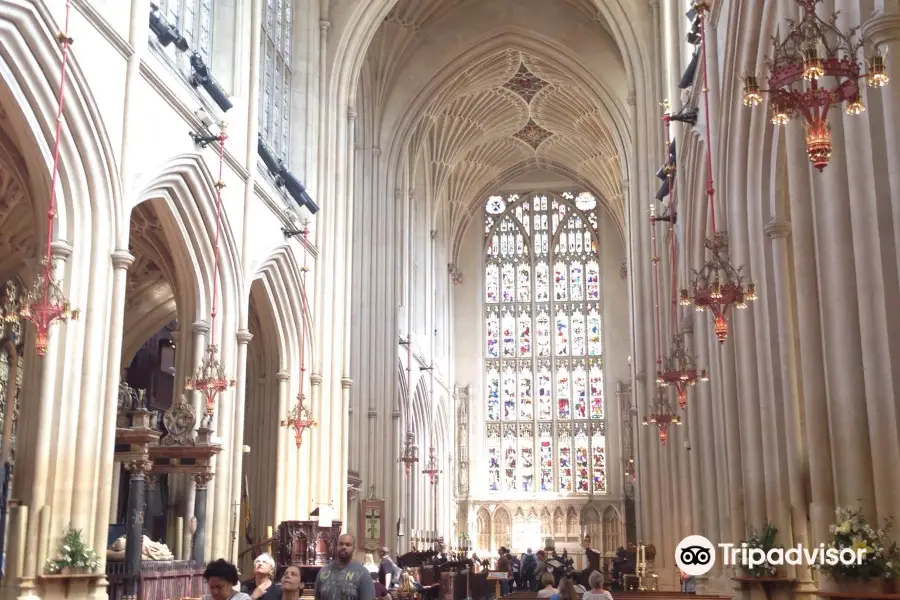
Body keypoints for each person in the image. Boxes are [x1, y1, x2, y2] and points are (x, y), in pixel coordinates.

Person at [315, 534, 376, 600]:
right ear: (336, 546)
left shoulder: (363, 574)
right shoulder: (323, 571)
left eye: (348, 545)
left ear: (354, 548)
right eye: (341, 544)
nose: (343, 547)